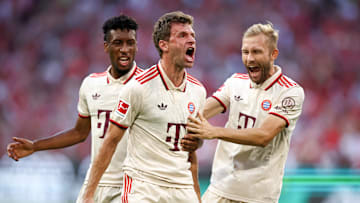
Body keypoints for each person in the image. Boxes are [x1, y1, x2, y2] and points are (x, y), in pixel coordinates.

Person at [7, 15, 143, 203]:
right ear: (106, 46)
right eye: (118, 43)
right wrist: (35, 146)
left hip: (135, 186)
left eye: (130, 43)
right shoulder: (91, 84)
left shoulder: (150, 85)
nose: (125, 49)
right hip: (97, 183)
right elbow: (79, 133)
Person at [82, 11, 206, 203]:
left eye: (192, 36)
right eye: (182, 35)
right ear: (163, 45)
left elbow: (191, 152)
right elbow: (110, 142)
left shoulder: (198, 91)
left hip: (182, 188)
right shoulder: (138, 88)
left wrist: (197, 196)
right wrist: (89, 194)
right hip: (144, 188)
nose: (191, 41)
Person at [186, 22, 305, 203]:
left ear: (273, 54)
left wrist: (214, 132)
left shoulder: (290, 92)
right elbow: (200, 112)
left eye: (256, 52)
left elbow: (263, 136)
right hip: (220, 189)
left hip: (257, 196)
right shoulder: (236, 82)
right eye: (245, 52)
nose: (249, 59)